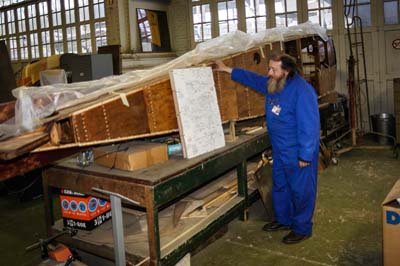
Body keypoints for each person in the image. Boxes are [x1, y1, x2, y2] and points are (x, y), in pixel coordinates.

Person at [213, 52, 320, 244]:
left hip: (298, 154)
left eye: (273, 69)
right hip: (280, 150)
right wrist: (227, 69)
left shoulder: (302, 91)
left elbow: (310, 126)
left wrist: (305, 155)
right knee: (280, 186)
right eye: (269, 68)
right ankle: (283, 220)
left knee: (301, 192)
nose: (269, 72)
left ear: (286, 71)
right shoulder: (274, 84)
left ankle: (302, 228)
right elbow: (253, 79)